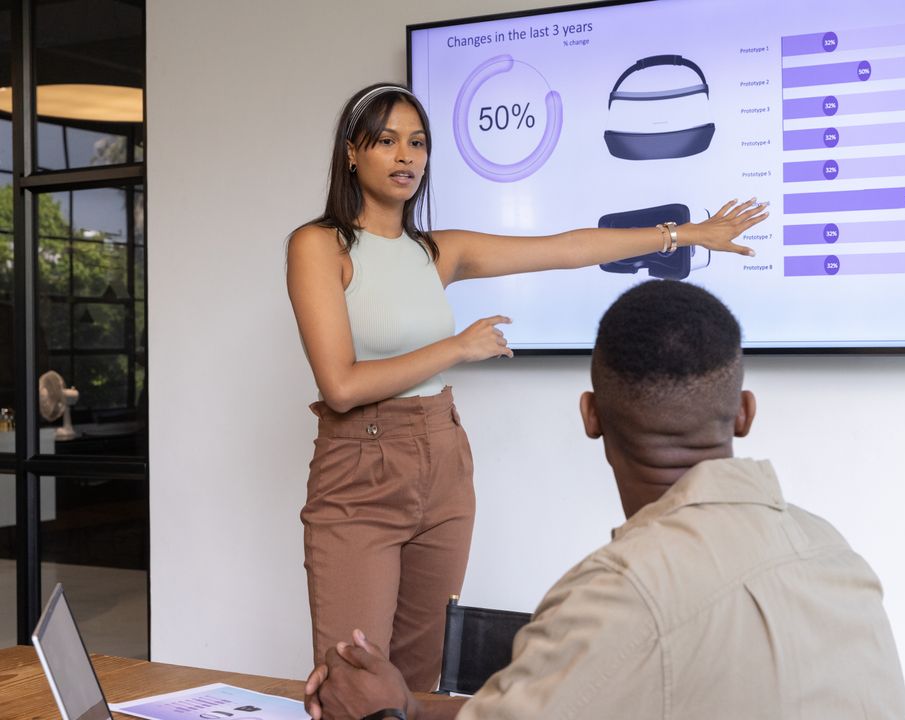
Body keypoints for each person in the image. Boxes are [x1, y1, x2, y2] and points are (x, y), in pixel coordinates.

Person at [286, 82, 769, 690]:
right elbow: (340, 385)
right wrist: (457, 347)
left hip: (442, 460)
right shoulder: (320, 245)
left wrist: (687, 234)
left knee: (415, 680)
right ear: (352, 153)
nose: (406, 157)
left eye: (418, 143)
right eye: (386, 142)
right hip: (360, 468)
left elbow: (567, 248)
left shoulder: (436, 251)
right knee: (351, 677)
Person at [303, 280, 905, 720]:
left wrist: (376, 719)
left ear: (590, 416)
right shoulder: (833, 556)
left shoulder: (617, 597)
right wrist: (408, 706)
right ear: (745, 413)